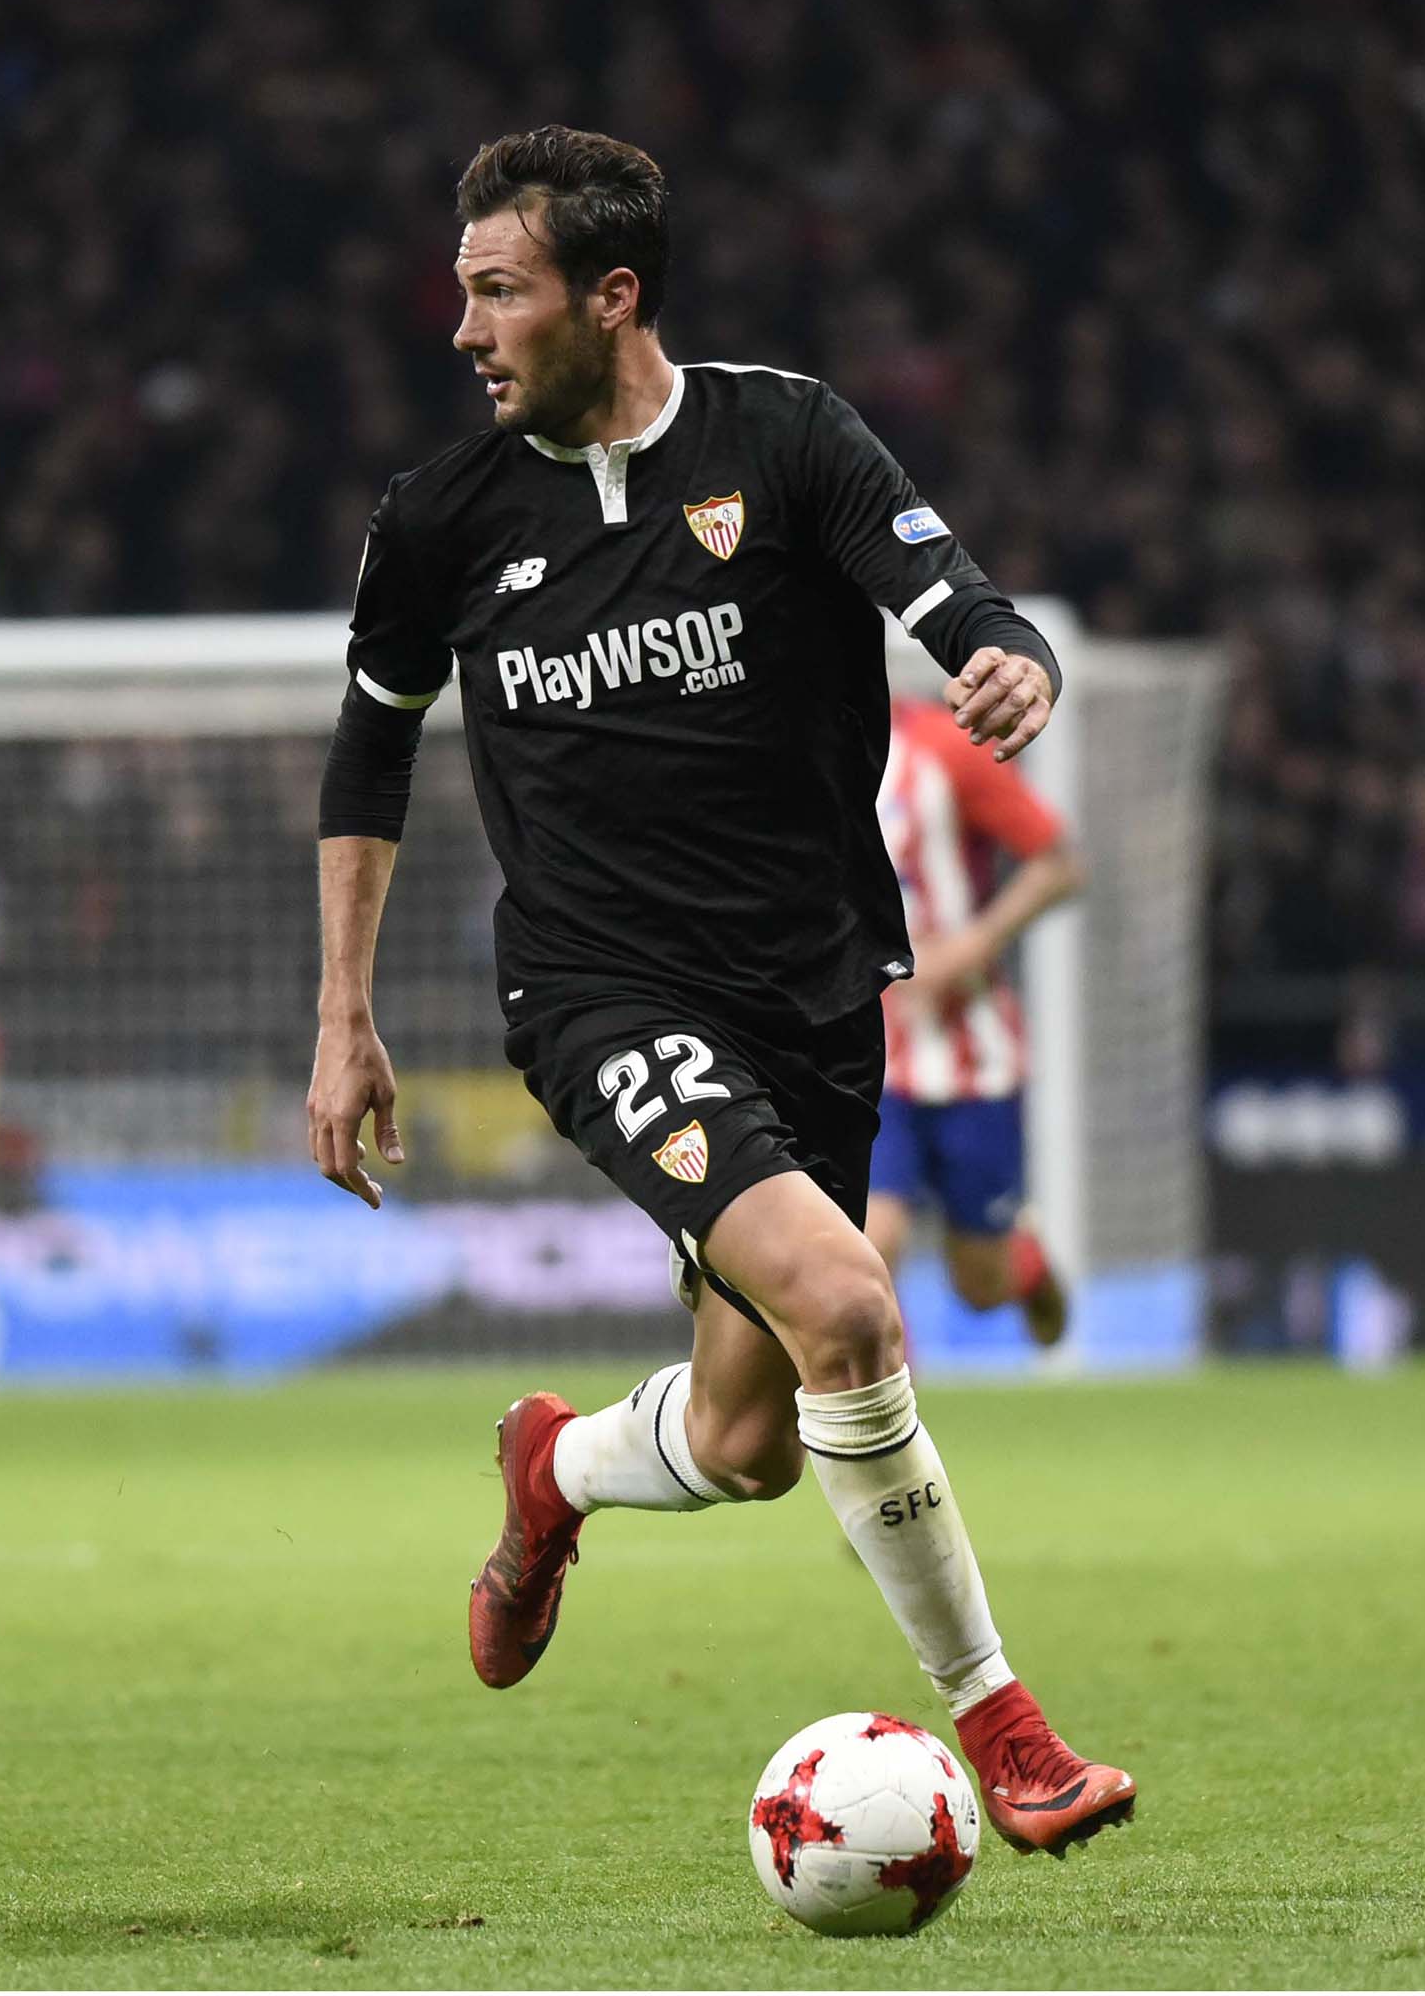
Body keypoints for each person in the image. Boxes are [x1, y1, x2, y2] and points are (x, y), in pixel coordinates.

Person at [305, 128, 1134, 1854]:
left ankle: (556, 1471)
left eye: (493, 291)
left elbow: (956, 598)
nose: (458, 328)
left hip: (814, 989)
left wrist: (1006, 661)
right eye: (458, 290)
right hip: (599, 992)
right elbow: (365, 761)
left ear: (609, 299)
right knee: (848, 1303)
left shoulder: (782, 438)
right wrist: (342, 1014)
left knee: (755, 1437)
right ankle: (1005, 1724)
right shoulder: (440, 519)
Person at [865, 696, 1085, 1345]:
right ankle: (885, 1429)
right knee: (871, 1243)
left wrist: (972, 945)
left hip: (972, 1050)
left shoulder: (942, 748)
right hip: (869, 1049)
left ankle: (1023, 1263)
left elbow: (1060, 864)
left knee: (979, 1287)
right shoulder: (794, 749)